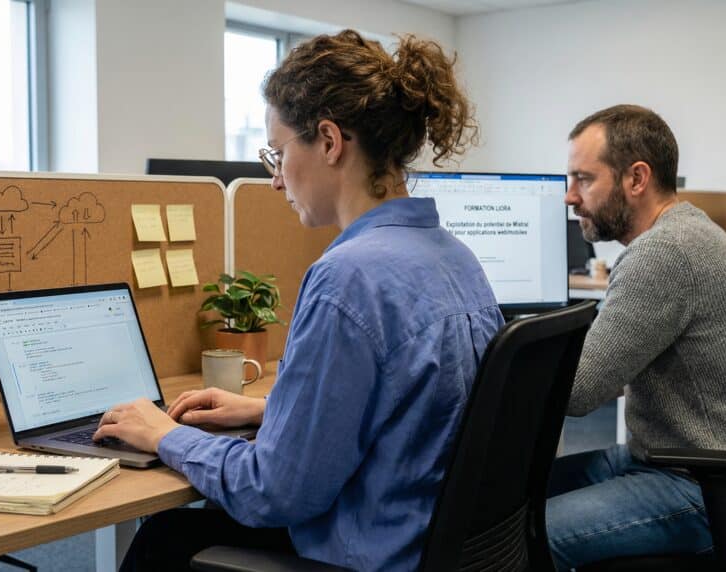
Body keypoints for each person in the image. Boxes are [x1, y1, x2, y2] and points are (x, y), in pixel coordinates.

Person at [93, 29, 504, 571]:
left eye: (277, 153)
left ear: (330, 142)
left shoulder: (347, 279)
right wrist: (272, 411)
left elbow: (274, 492)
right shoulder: (457, 259)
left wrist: (166, 435)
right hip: (436, 544)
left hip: (367, 552)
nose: (274, 180)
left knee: (164, 541)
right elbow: (419, 411)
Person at [548, 104, 726, 569]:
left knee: (530, 534)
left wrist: (492, 361)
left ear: (636, 179)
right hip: (675, 462)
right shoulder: (686, 229)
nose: (569, 196)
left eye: (583, 179)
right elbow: (611, 370)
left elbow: (578, 392)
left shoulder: (664, 254)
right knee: (506, 500)